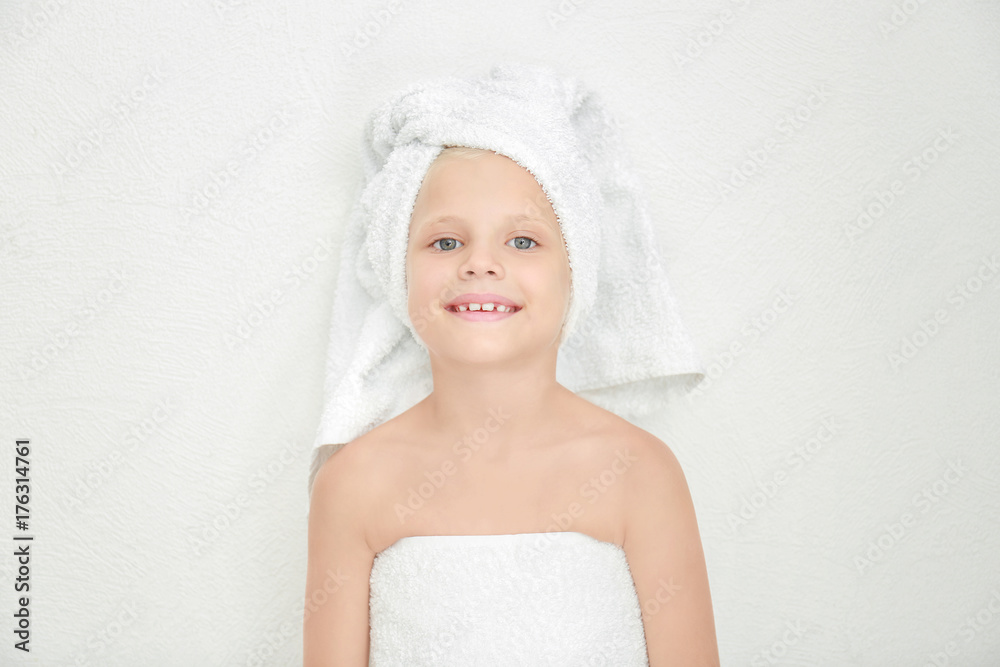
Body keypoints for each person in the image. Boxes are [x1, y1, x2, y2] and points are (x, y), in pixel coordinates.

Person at [303, 65, 719, 666]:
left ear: (576, 267)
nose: (480, 263)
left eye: (522, 241)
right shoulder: (353, 485)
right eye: (446, 242)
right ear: (398, 268)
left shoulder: (637, 474)